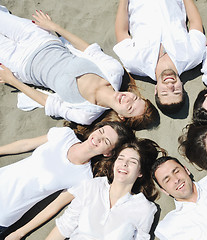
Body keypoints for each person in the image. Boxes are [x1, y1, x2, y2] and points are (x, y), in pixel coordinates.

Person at [0, 7, 159, 129]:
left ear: (122, 116)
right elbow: (87, 49)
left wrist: (12, 80)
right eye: (135, 98)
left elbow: (48, 102)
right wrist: (53, 26)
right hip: (41, 40)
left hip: (22, 65)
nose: (128, 99)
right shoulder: (114, 71)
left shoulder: (85, 113)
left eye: (130, 108)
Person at [4, 138, 165, 240]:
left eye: (132, 162)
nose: (124, 164)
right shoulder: (92, 186)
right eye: (121, 159)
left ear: (140, 173)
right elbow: (64, 227)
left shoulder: (145, 209)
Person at [0, 121, 135, 235]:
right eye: (101, 131)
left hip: (4, 214)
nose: (99, 138)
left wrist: (19, 233)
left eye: (106, 141)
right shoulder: (65, 135)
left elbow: (54, 207)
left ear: (108, 153)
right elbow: (26, 145)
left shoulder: (84, 179)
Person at [114, 0, 206, 114]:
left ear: (156, 90)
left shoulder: (134, 63)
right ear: (182, 87)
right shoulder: (194, 56)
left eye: (164, 93)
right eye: (176, 91)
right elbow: (195, 22)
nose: (170, 86)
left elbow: (122, 32)